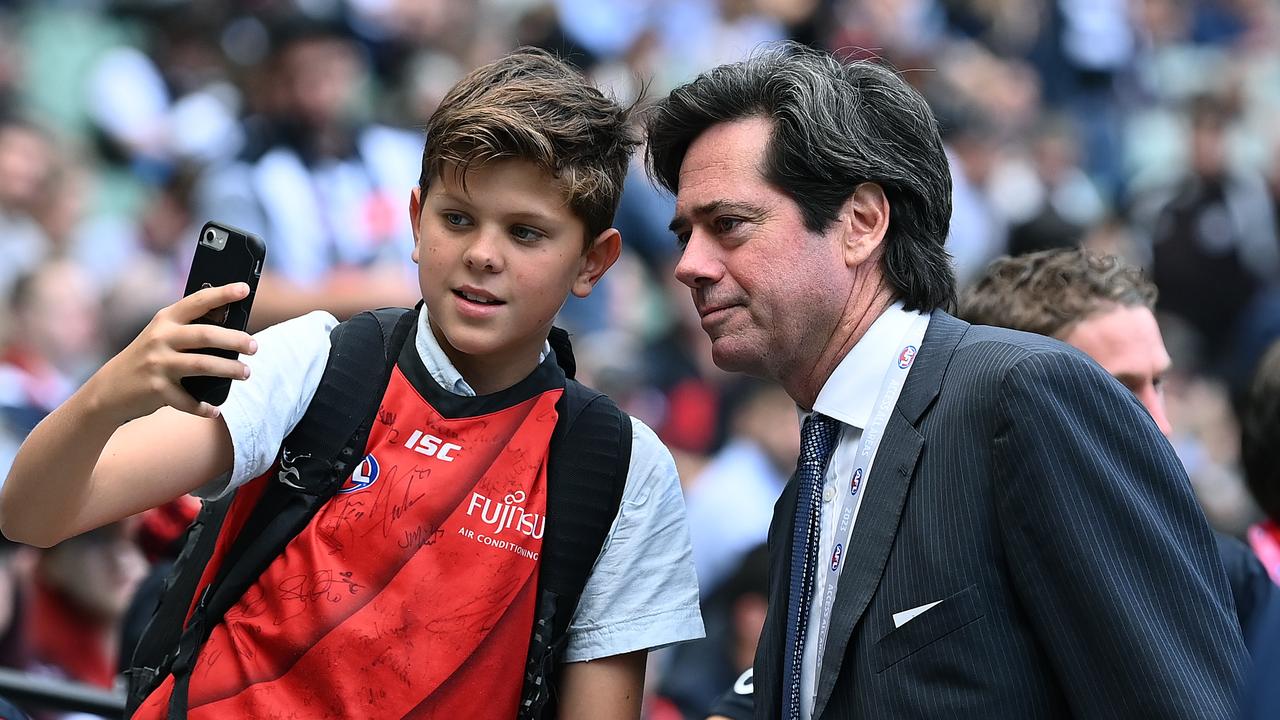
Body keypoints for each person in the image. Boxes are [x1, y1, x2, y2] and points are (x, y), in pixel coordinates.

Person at [0, 48, 702, 718]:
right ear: (415, 222)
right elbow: (30, 518)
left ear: (594, 261)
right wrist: (110, 392)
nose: (483, 255)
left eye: (526, 233)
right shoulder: (314, 359)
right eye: (458, 219)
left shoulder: (621, 467)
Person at [645, 43, 1246, 719]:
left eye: (728, 225)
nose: (690, 265)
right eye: (683, 235)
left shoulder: (1022, 397)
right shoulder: (807, 483)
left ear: (862, 223)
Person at [959, 247, 1275, 637]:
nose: (1161, 424)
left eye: (1157, 383)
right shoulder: (950, 593)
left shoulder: (1229, 581)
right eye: (1119, 392)